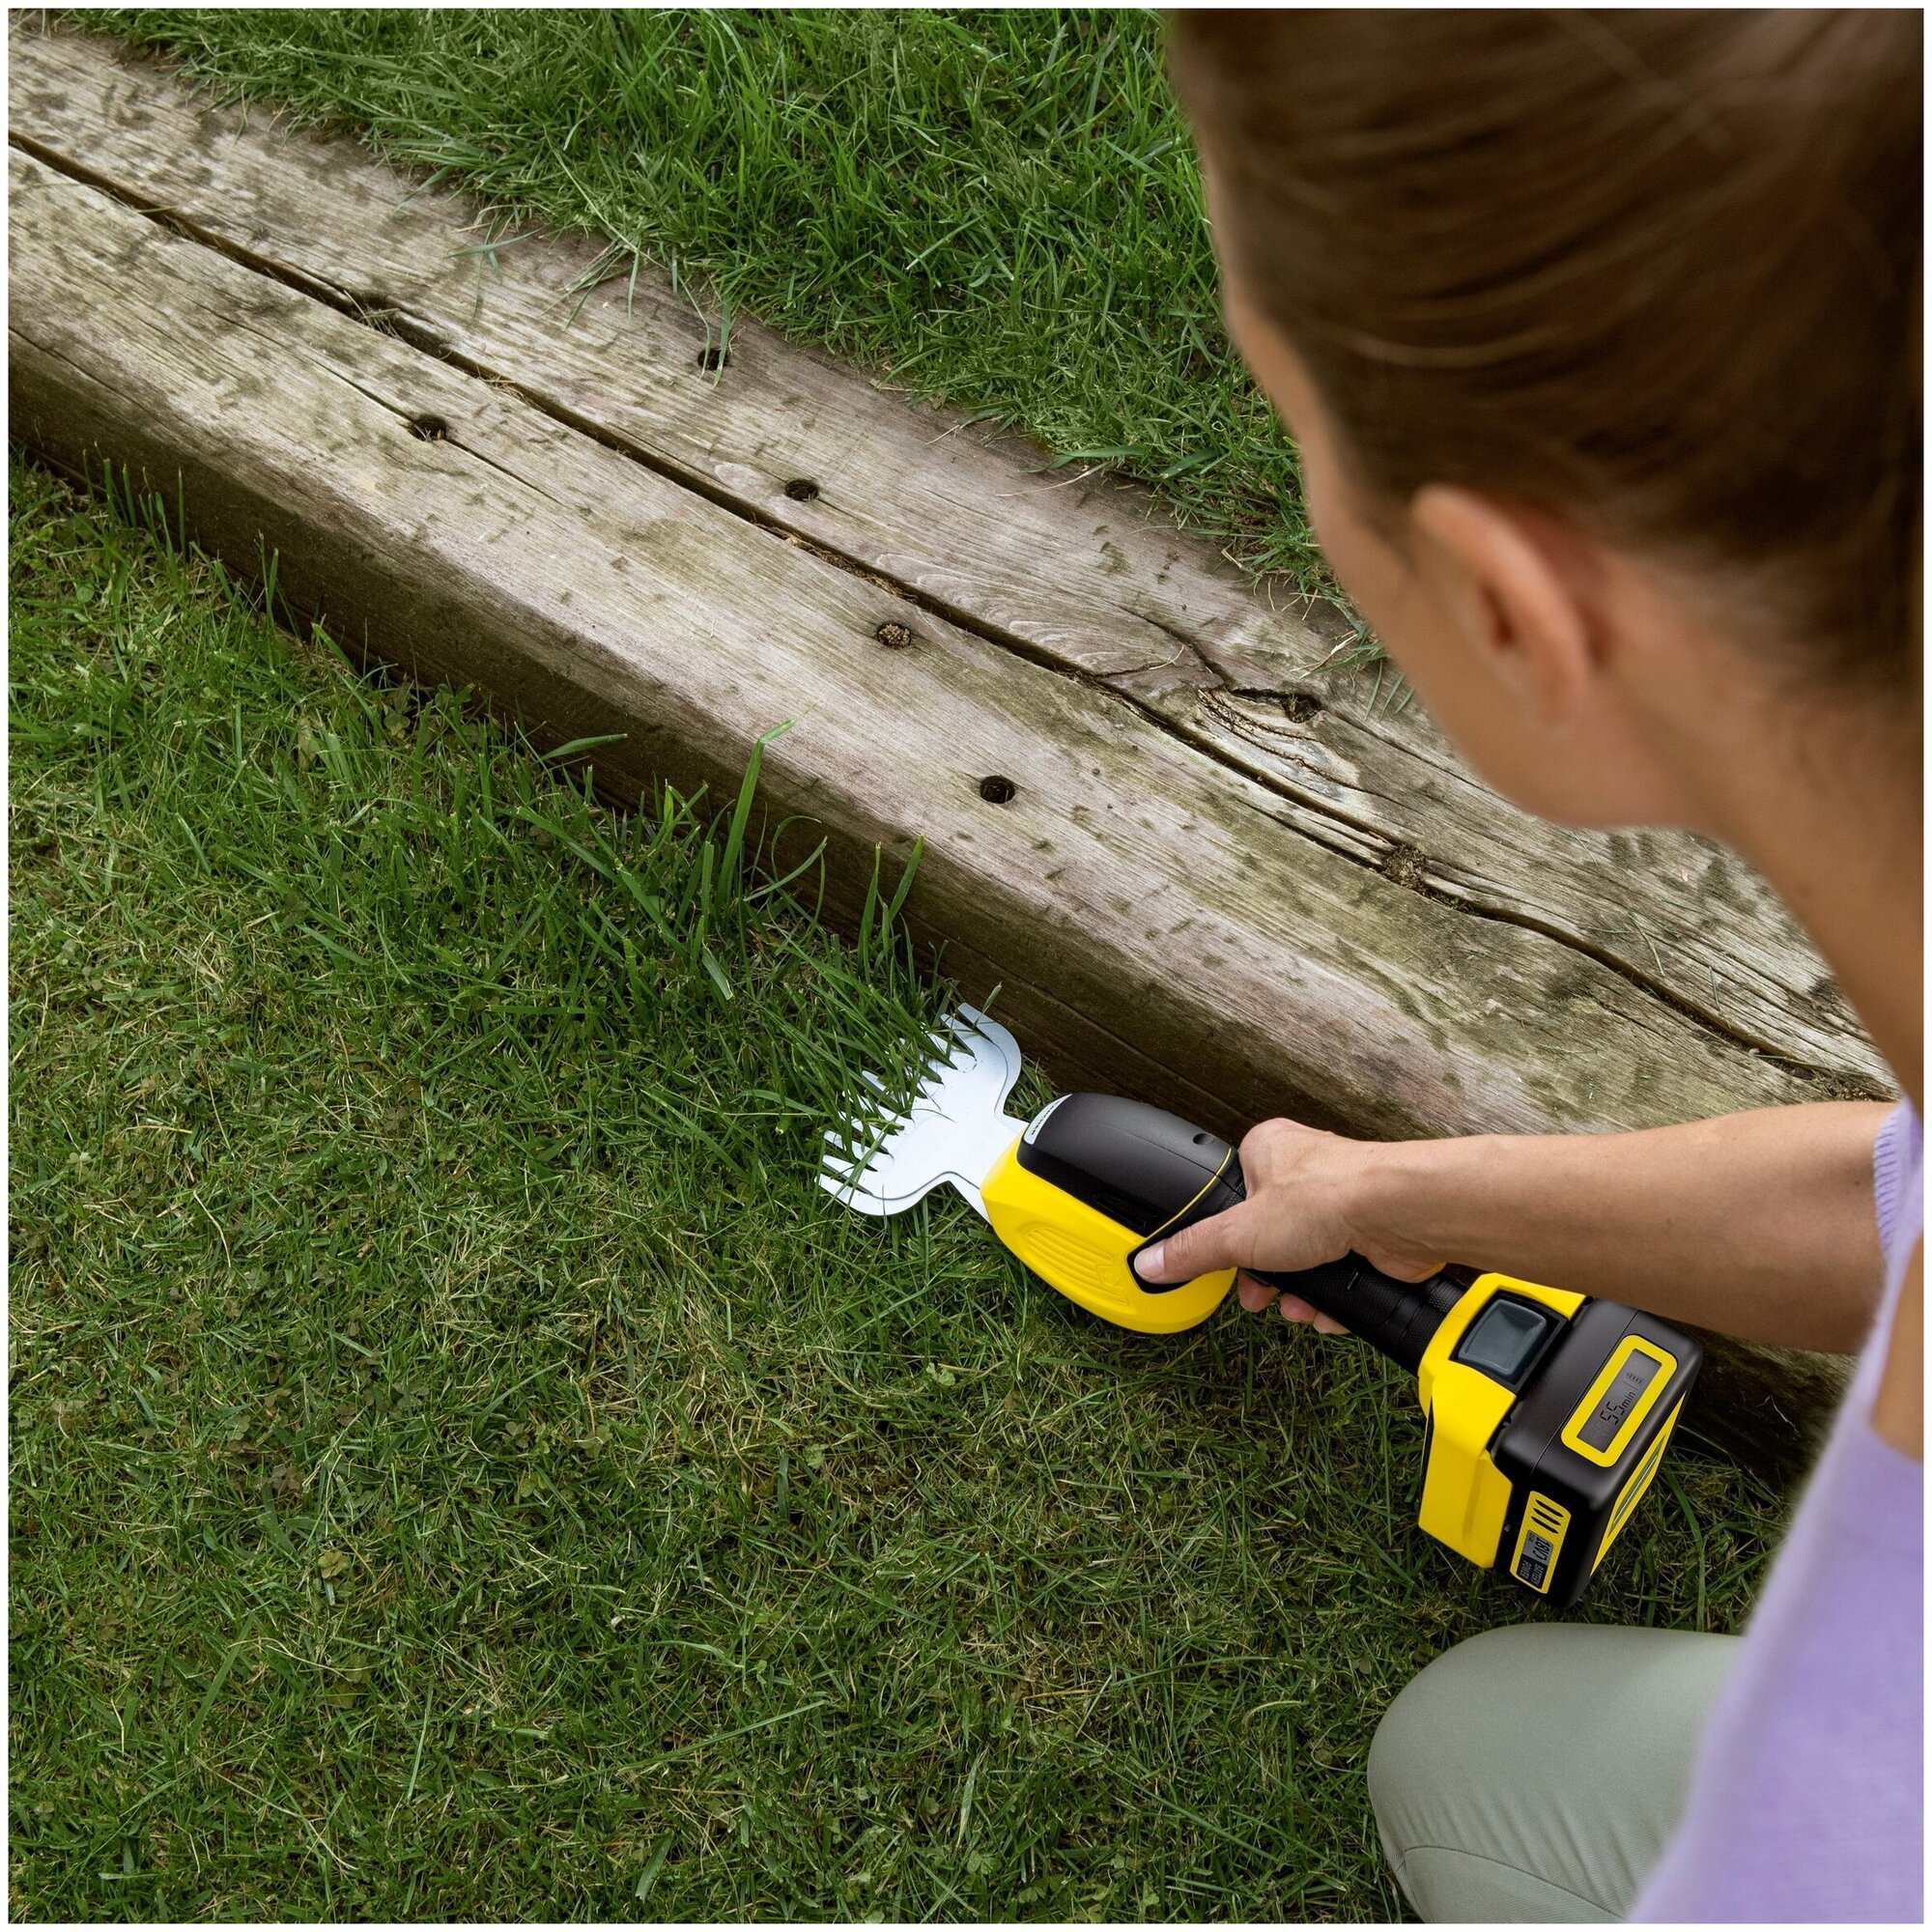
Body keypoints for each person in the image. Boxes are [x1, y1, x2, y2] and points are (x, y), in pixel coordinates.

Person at [1140, 13, 1922, 1922]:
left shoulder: (1824, 1839)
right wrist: (1401, 1198)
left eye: (1295, 425)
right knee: (1474, 1752)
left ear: (1512, 607)